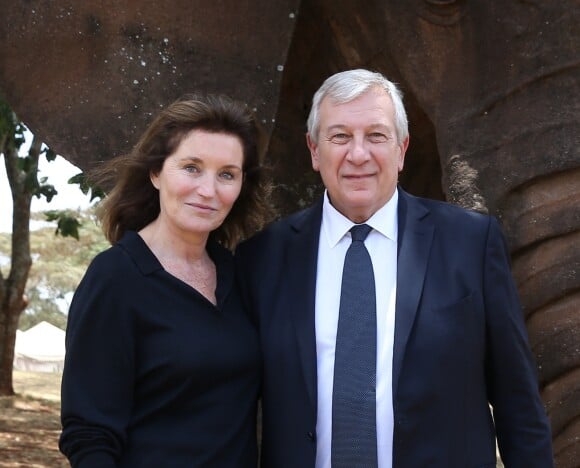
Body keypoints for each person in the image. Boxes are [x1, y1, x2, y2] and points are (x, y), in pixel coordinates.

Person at [236, 69, 554, 467]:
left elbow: (518, 404)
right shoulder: (263, 258)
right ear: (314, 151)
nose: (358, 154)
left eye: (376, 135)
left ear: (402, 149)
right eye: (339, 137)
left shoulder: (470, 243)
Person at [59, 94, 273, 467]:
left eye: (227, 174)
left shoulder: (240, 274)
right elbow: (89, 434)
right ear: (156, 172)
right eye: (192, 167)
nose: (208, 190)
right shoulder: (116, 278)